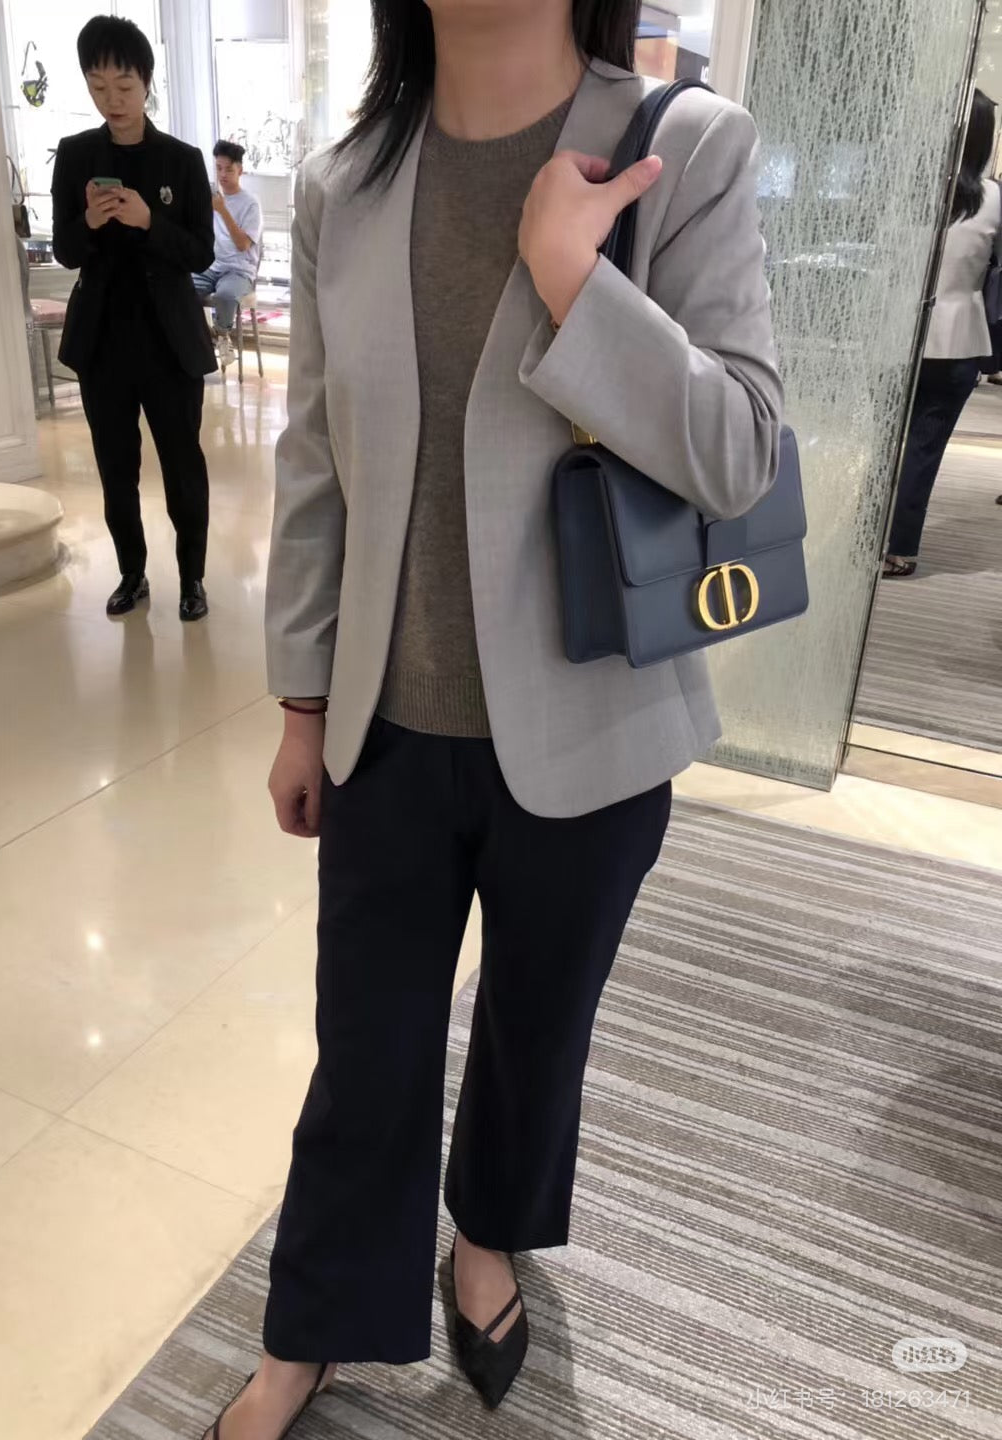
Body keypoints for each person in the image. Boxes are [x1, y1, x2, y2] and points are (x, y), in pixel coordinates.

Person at [205, 2, 781, 1436]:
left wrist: (576, 281)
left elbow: (739, 449)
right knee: (368, 1050)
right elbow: (317, 467)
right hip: (386, 731)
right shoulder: (345, 184)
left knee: (536, 1033)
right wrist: (302, 705)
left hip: (595, 725)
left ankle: (487, 1242)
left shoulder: (681, 148)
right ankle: (315, 1321)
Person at [52, 15, 215, 622]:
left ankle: (193, 578)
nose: (112, 100)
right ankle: (131, 573)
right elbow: (65, 249)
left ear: (146, 82)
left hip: (170, 344)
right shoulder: (76, 155)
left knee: (183, 467)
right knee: (116, 469)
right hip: (103, 344)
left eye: (123, 86)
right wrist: (91, 223)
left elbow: (200, 253)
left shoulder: (182, 160)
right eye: (98, 87)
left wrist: (150, 222)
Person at [885, 89, 1000, 578]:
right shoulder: (994, 199)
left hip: (894, 335)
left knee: (883, 446)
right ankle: (899, 549)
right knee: (924, 449)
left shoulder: (906, 185)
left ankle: (864, 537)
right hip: (957, 339)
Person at [193, 141, 264, 369]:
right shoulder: (210, 199)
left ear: (240, 170)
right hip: (211, 266)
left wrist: (222, 210)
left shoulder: (250, 204)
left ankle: (223, 335)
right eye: (218, 168)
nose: (223, 174)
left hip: (239, 271)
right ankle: (208, 337)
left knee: (225, 295)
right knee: (183, 289)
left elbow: (243, 244)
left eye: (229, 170)